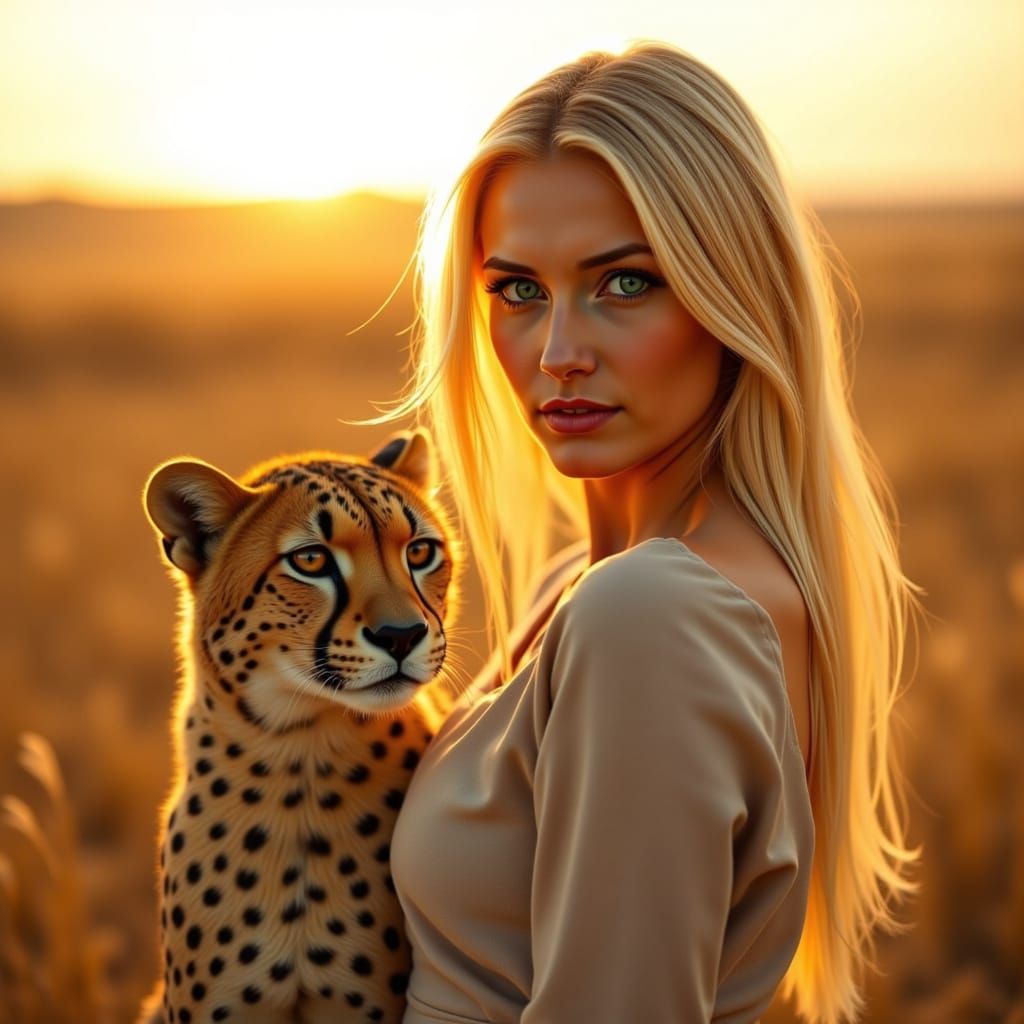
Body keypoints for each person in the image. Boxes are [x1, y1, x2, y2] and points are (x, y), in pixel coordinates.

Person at [381, 40, 922, 1023]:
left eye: (623, 283)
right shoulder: (582, 587)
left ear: (733, 294)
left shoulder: (654, 612)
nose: (556, 352)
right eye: (515, 290)